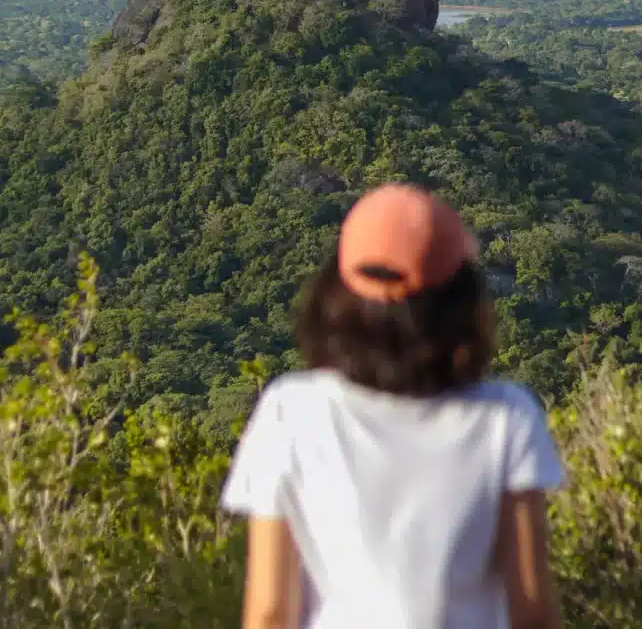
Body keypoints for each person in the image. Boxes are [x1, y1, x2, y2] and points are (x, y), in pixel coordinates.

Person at [221, 183, 564, 629]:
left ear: (336, 291)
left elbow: (270, 612)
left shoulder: (291, 411)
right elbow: (531, 610)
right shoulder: (506, 417)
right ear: (460, 299)